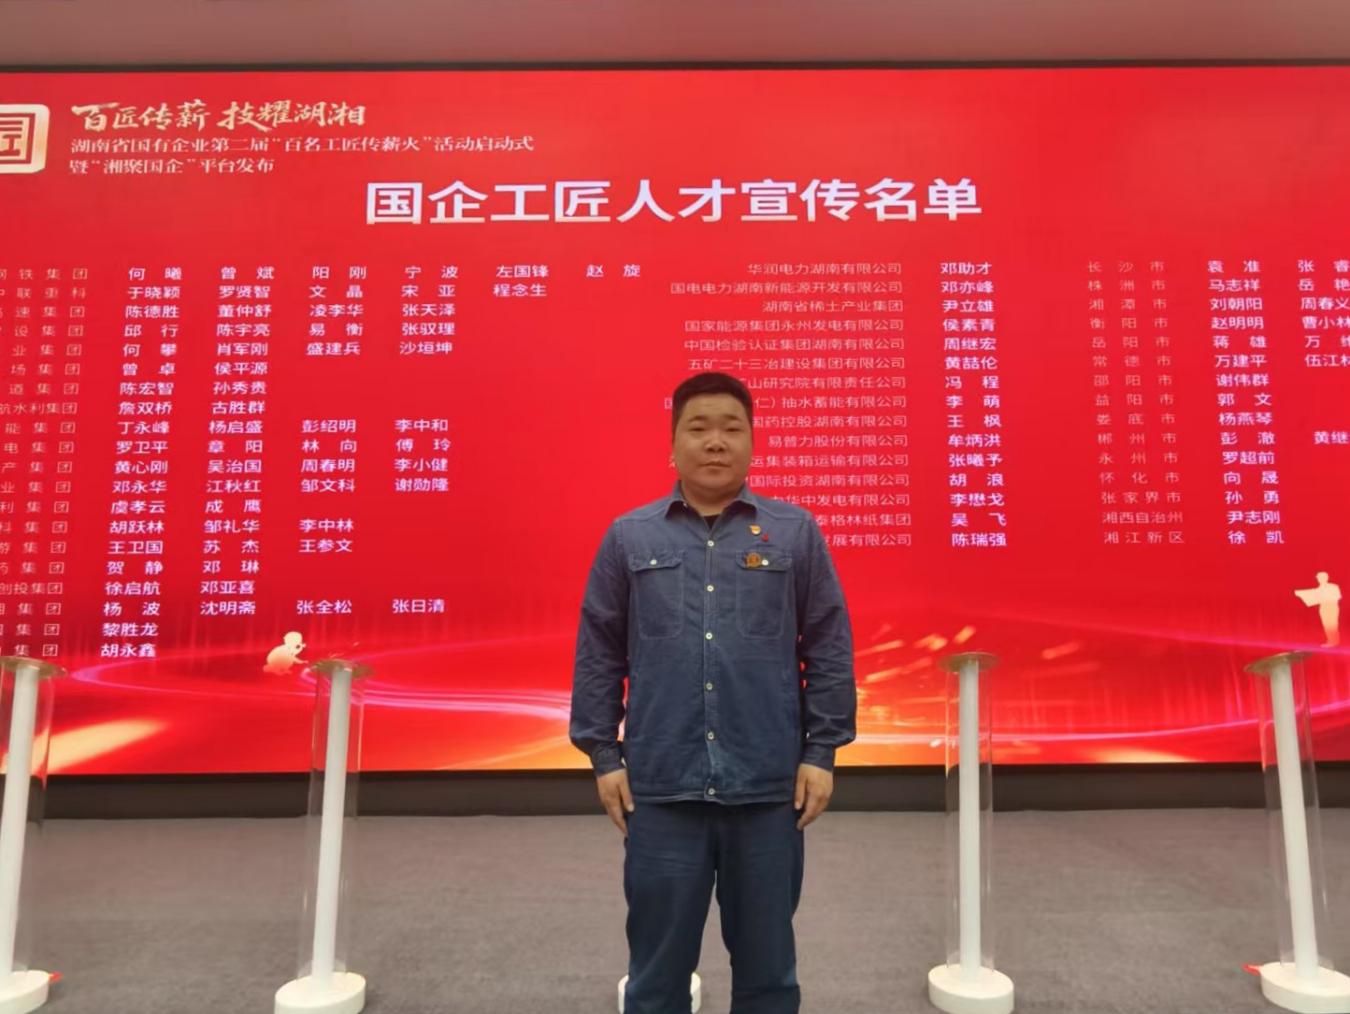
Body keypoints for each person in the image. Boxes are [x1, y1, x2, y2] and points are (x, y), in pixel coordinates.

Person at [570, 371, 857, 1014]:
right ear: (673, 443)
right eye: (698, 428)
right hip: (661, 789)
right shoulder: (630, 536)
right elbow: (599, 651)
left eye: (732, 428)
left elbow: (828, 644)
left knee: (768, 973)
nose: (716, 442)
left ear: (753, 442)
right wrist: (604, 755)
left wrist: (822, 751)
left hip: (767, 788)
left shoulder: (794, 533)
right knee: (656, 974)